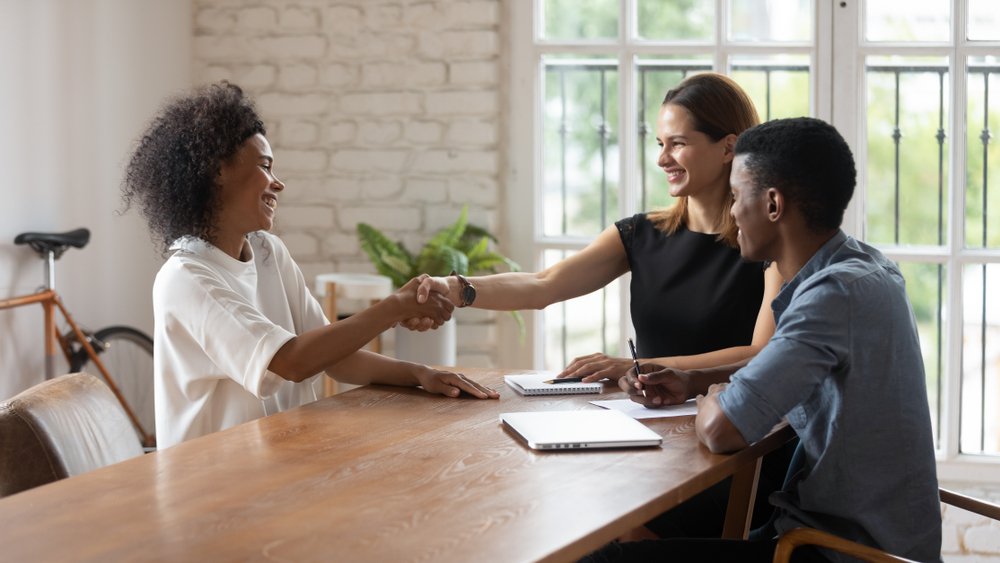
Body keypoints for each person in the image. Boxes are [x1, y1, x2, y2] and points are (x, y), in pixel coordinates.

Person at [597, 117, 941, 562]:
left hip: (835, 552)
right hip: (863, 541)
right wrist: (694, 379)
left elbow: (721, 430)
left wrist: (714, 399)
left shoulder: (830, 297)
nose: (733, 211)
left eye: (737, 196)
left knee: (602, 558)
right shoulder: (865, 268)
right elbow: (792, 364)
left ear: (773, 204)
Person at [122, 82, 498, 449]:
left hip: (278, 466)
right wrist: (395, 307)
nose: (277, 183)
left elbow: (335, 358)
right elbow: (290, 362)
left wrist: (421, 374)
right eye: (265, 166)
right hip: (209, 490)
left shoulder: (268, 252)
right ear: (218, 170)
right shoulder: (187, 278)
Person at [417, 72, 783, 382]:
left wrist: (636, 367)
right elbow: (543, 285)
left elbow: (760, 353)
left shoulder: (768, 241)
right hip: (650, 419)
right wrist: (454, 288)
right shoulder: (642, 234)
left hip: (735, 431)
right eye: (660, 144)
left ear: (727, 148)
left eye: (678, 144)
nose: (661, 159)